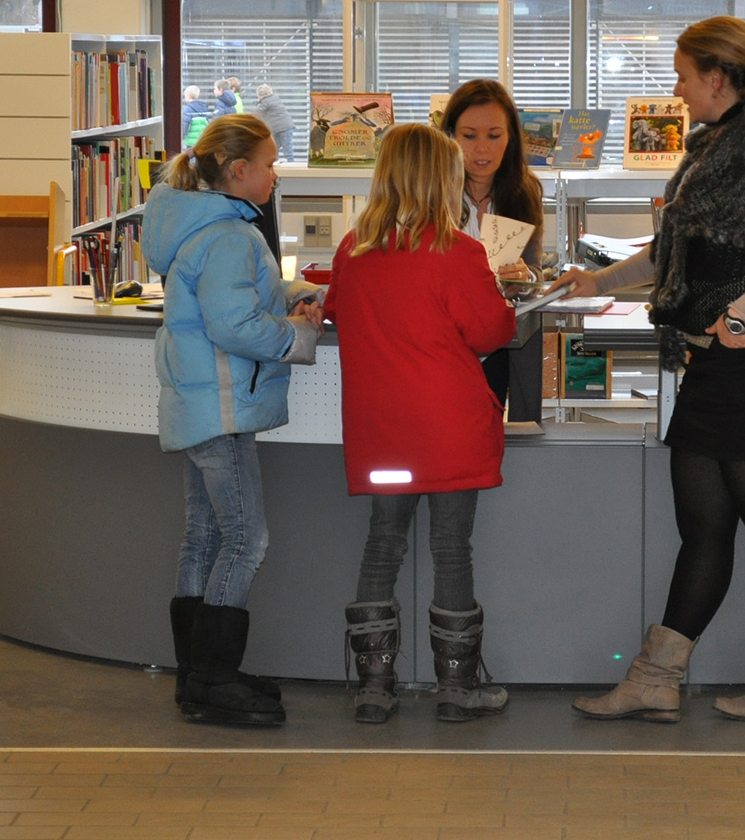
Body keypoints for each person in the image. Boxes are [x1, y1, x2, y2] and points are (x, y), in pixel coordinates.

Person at [553, 16, 745, 722]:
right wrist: (598, 281)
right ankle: (655, 679)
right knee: (703, 525)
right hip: (719, 363)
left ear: (718, 75)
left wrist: (740, 316)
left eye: (683, 76)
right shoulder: (714, 145)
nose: (677, 92)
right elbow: (675, 249)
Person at [324, 123, 516, 725]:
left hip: (384, 434)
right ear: (443, 180)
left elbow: (335, 310)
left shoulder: (353, 249)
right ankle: (457, 689)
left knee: (382, 546)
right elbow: (491, 332)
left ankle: (374, 688)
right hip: (449, 430)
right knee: (451, 550)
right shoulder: (458, 252)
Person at [142, 113, 325, 726]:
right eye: (270, 165)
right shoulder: (227, 235)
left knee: (204, 536)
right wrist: (298, 335)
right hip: (221, 408)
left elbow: (244, 296)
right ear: (238, 169)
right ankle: (214, 678)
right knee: (247, 539)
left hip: (201, 405)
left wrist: (299, 293)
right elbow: (235, 326)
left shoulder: (204, 226)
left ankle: (197, 674)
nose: (276, 175)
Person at [439, 79, 546, 419]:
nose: (482, 149)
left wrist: (523, 279)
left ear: (510, 137)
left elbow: (535, 273)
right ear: (450, 136)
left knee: (489, 427)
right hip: (441, 342)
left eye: (494, 135)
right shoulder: (432, 191)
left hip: (498, 342)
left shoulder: (524, 192)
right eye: (469, 136)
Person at [252, 83, 296, 162]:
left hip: (282, 128)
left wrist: (258, 101)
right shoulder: (275, 98)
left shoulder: (265, 102)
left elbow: (256, 113)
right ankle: (277, 164)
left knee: (285, 151)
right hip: (285, 127)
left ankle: (290, 165)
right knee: (277, 149)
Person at [180, 85, 210, 149]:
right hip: (202, 140)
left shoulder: (187, 110)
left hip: (191, 143)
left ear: (188, 96)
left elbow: (184, 127)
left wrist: (181, 137)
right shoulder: (204, 108)